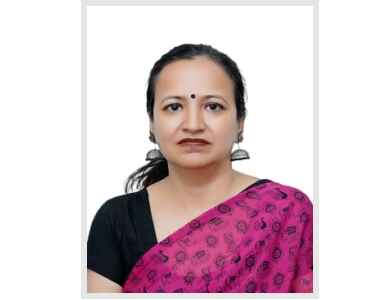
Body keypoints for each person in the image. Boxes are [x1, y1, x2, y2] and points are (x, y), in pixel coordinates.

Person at [87, 43, 313, 293]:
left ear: (240, 122)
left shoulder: (287, 211)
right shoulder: (117, 219)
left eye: (213, 106)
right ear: (151, 122)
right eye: (174, 107)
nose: (193, 125)